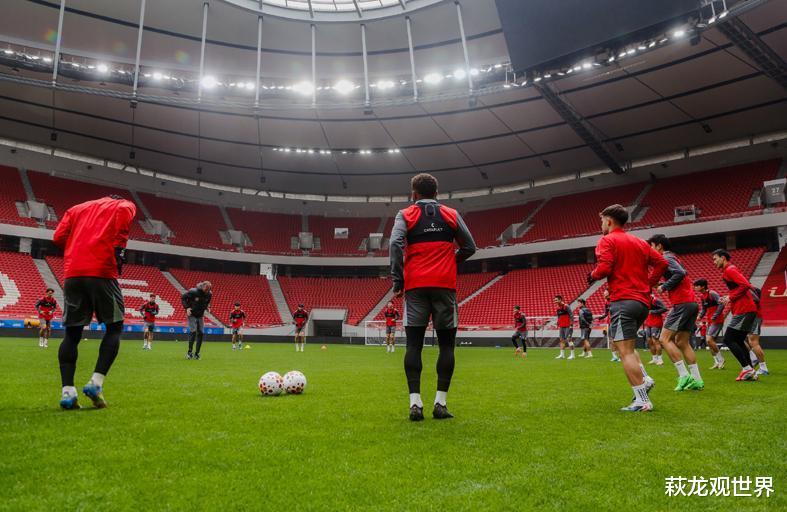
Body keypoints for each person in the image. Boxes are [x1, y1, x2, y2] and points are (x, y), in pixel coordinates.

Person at [390, 173, 476, 421]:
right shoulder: (451, 214)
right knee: (447, 345)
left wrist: (398, 279)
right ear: (437, 194)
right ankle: (440, 403)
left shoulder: (405, 214)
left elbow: (395, 244)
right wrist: (450, 260)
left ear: (413, 194)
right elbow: (470, 247)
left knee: (413, 346)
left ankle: (415, 405)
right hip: (444, 287)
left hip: (415, 287)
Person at [53, 195, 137, 410]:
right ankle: (95, 383)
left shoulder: (75, 208)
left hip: (73, 273)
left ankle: (67, 393)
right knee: (115, 327)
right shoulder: (124, 204)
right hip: (102, 270)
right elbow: (123, 217)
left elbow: (58, 237)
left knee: (72, 334)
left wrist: (77, 246)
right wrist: (119, 249)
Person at [588, 204, 667, 412]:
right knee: (628, 348)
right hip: (642, 303)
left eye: (602, 221)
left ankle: (642, 400)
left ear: (609, 221)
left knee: (624, 352)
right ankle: (645, 379)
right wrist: (649, 283)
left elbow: (604, 268)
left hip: (623, 301)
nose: (601, 225)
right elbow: (662, 263)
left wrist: (592, 275)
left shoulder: (607, 240)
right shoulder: (640, 242)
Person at [648, 234, 704, 392]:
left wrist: (664, 287)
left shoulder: (665, 257)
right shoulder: (672, 257)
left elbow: (680, 273)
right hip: (691, 303)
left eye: (652, 246)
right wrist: (664, 284)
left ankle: (684, 375)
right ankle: (697, 380)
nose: (651, 250)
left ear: (659, 246)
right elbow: (680, 274)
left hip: (682, 304)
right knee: (682, 342)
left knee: (663, 339)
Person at [712, 249, 759, 381]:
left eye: (715, 259)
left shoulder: (730, 270)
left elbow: (746, 285)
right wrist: (728, 297)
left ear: (723, 258)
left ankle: (747, 369)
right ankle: (751, 371)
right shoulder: (729, 270)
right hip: (745, 308)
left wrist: (730, 297)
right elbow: (739, 287)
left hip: (744, 309)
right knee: (738, 340)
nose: (714, 262)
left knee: (728, 339)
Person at [693, 279, 727, 369]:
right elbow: (704, 309)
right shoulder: (702, 296)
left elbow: (722, 304)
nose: (695, 287)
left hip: (717, 320)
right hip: (710, 320)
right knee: (710, 343)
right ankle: (716, 362)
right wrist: (699, 316)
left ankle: (721, 359)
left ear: (703, 286)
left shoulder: (712, 293)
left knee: (709, 340)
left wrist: (715, 315)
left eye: (697, 286)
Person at [182, 281, 212, 360]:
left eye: (208, 290)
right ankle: (189, 353)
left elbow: (207, 302)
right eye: (206, 289)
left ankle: (197, 353)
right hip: (192, 314)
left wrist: (208, 307)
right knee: (193, 331)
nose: (207, 291)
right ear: (203, 286)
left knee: (201, 332)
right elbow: (183, 297)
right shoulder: (193, 291)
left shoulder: (209, 294)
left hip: (200, 315)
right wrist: (187, 308)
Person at [747, 287, 768, 375]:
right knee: (742, 339)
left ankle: (763, 368)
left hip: (755, 318)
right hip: (750, 318)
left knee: (753, 342)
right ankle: (753, 358)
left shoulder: (754, 301)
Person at [644, 292, 667, 365]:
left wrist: (653, 311)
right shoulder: (645, 300)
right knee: (649, 341)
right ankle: (654, 359)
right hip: (648, 322)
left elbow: (665, 308)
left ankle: (660, 360)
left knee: (655, 341)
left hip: (656, 323)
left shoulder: (656, 300)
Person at [597, 289, 620, 362]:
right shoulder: (606, 302)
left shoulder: (615, 301)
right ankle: (614, 356)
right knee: (610, 340)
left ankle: (620, 356)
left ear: (609, 293)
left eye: (605, 292)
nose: (603, 294)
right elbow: (606, 313)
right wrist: (600, 317)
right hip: (609, 323)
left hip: (616, 322)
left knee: (617, 340)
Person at [554, 295, 574, 359]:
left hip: (568, 326)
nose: (555, 301)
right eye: (554, 300)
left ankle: (572, 355)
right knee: (561, 340)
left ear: (560, 300)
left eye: (556, 300)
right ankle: (562, 355)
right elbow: (559, 317)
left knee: (569, 339)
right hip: (561, 326)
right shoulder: (557, 308)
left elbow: (571, 315)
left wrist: (571, 325)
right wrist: (558, 323)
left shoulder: (566, 306)